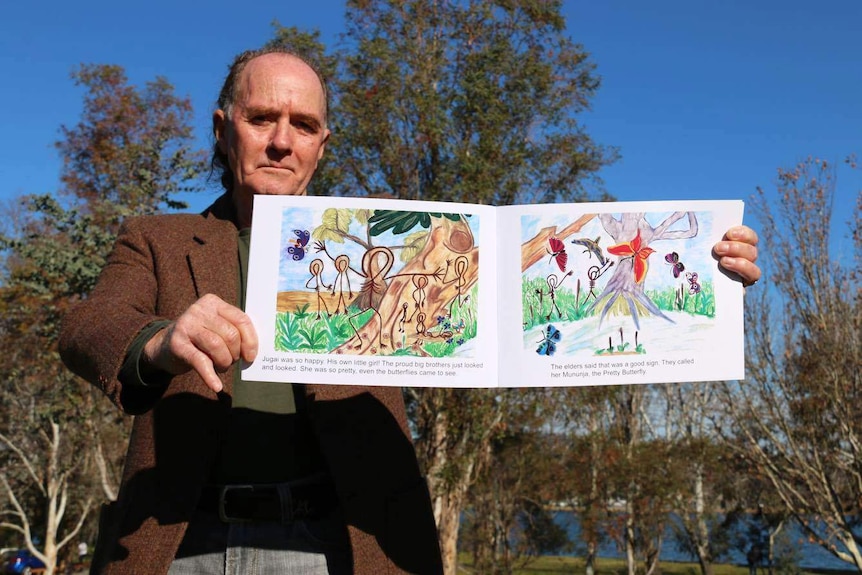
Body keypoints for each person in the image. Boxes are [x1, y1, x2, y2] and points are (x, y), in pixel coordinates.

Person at [59, 46, 762, 575]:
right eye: (261, 118)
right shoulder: (155, 238)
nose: (281, 139)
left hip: (342, 546)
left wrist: (704, 265)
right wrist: (159, 340)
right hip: (185, 543)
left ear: (322, 144)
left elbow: (540, 288)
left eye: (303, 124)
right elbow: (87, 326)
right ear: (223, 128)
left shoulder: (400, 240)